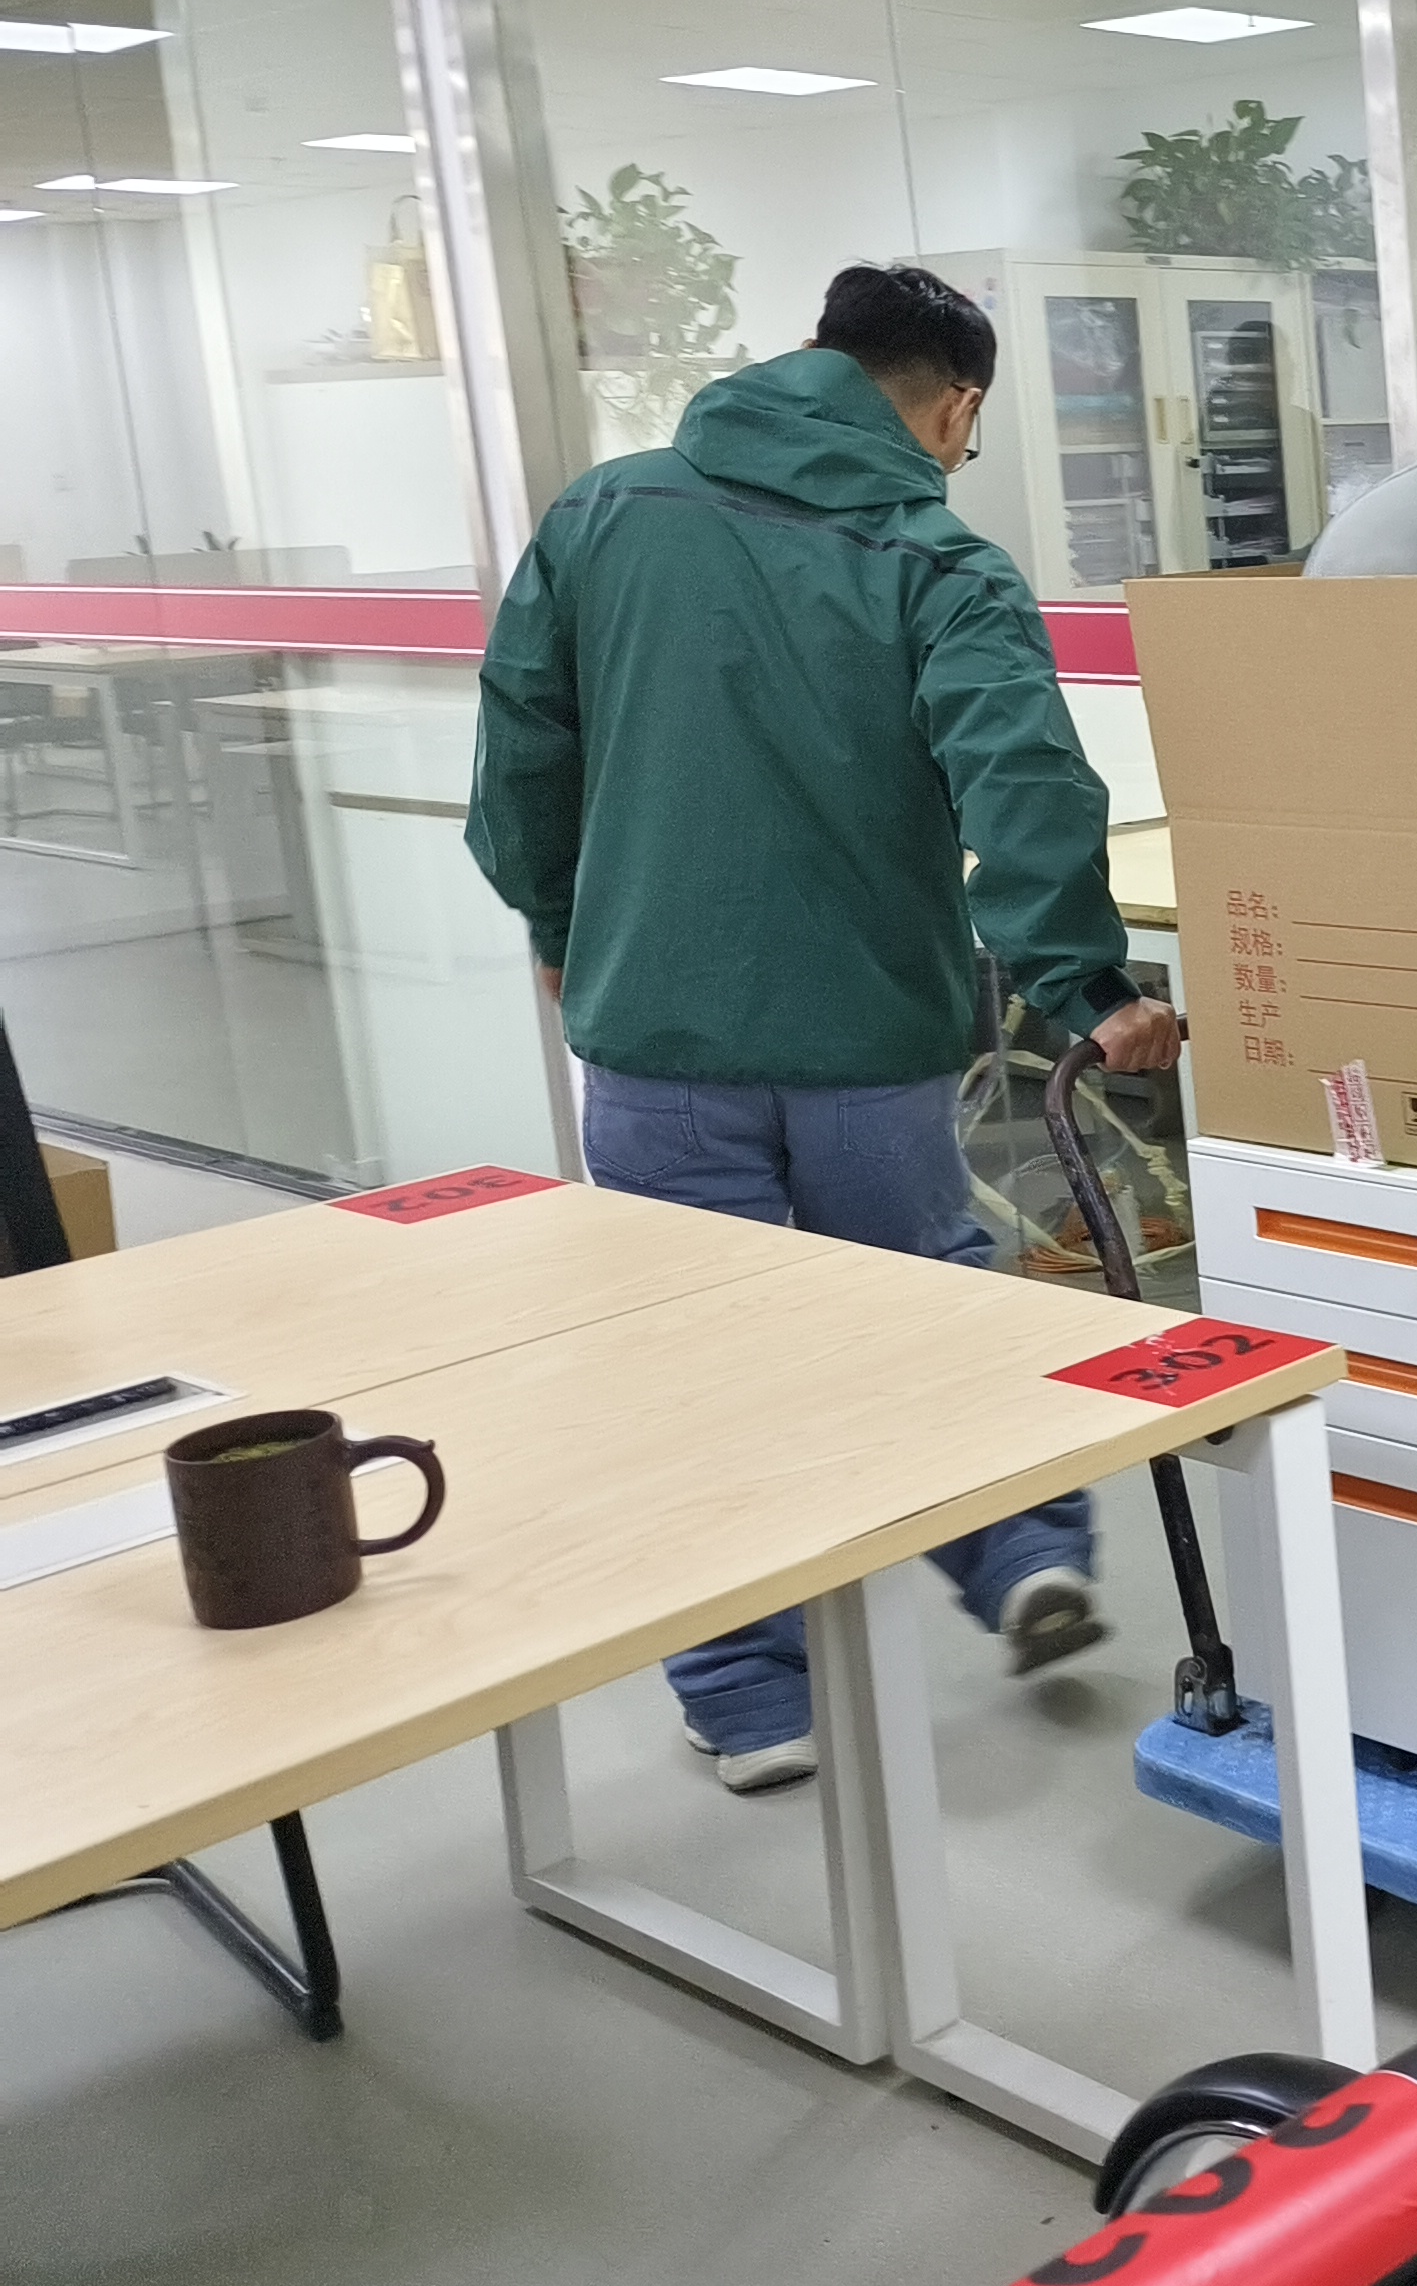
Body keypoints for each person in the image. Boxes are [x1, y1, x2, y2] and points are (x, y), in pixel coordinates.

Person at [467, 262, 1180, 1796]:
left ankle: (748, 1703)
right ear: (957, 407)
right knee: (930, 1315)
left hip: (653, 1039)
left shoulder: (603, 515)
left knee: (696, 1369)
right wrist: (1093, 991)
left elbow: (523, 751)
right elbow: (1022, 786)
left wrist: (559, 928)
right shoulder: (939, 558)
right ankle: (1019, 1557)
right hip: (869, 1043)